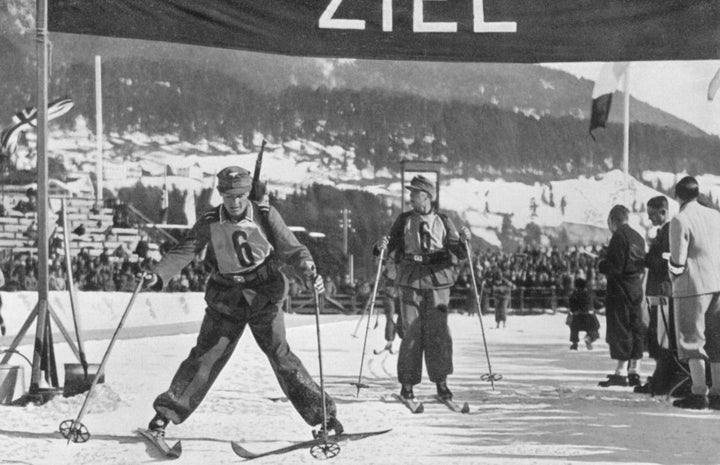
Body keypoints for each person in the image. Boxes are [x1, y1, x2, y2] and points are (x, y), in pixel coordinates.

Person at [141, 166, 342, 437]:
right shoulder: (211, 220)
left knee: (280, 355)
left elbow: (293, 249)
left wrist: (309, 270)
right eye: (228, 196)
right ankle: (165, 415)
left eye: (240, 196)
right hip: (227, 297)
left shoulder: (264, 214)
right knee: (206, 357)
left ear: (248, 193)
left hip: (264, 294)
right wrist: (157, 275)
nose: (235, 202)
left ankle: (324, 418)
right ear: (220, 194)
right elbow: (185, 251)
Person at [376, 174, 469, 401]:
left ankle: (441, 382)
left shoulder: (445, 221)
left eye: (414, 193)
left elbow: (460, 253)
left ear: (426, 197)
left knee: (438, 332)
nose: (410, 196)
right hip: (411, 278)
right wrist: (381, 247)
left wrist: (466, 241)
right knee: (410, 330)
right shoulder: (404, 220)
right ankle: (407, 383)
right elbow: (389, 247)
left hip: (438, 279)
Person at [668, 176, 720, 410]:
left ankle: (699, 392)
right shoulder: (715, 216)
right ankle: (718, 391)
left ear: (677, 196)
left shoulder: (680, 219)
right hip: (717, 283)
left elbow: (678, 261)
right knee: (716, 339)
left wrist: (670, 268)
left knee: (692, 339)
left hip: (692, 286)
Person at [636, 195, 688, 396]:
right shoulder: (663, 231)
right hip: (660, 292)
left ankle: (663, 380)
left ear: (663, 212)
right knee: (659, 338)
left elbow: (667, 262)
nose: (650, 219)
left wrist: (646, 259)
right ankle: (660, 378)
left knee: (663, 338)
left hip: (664, 292)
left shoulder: (669, 231)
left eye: (652, 215)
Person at [597, 204, 646, 388]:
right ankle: (635, 370)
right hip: (635, 286)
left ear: (612, 219)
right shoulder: (638, 237)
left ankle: (621, 372)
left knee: (620, 328)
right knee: (635, 327)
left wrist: (602, 263)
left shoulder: (618, 237)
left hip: (620, 289)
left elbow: (615, 268)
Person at [567, 278, 600, 350]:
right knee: (595, 327)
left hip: (577, 318)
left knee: (574, 328)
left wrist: (575, 311)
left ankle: (574, 343)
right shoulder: (591, 294)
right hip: (589, 317)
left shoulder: (573, 295)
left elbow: (571, 306)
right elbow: (597, 305)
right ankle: (589, 338)